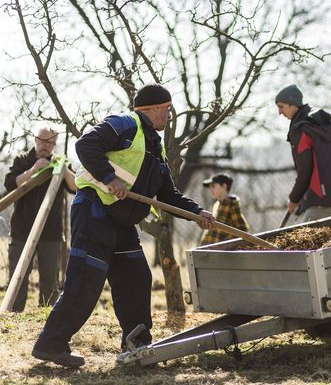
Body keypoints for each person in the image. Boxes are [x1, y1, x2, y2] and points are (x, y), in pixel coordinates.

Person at [31, 84, 215, 368]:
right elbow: (85, 145)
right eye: (167, 108)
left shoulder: (156, 146)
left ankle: (137, 344)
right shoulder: (125, 123)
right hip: (95, 209)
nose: (169, 114)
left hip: (121, 220)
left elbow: (166, 194)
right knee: (86, 280)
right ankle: (51, 344)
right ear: (152, 108)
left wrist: (197, 212)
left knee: (136, 277)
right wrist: (109, 178)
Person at [3, 125, 77, 312]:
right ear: (36, 139)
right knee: (17, 280)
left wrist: (64, 170)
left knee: (49, 282)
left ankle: (47, 320)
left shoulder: (61, 162)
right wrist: (34, 169)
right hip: (22, 230)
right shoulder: (22, 160)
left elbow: (75, 187)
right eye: (44, 141)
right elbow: (11, 183)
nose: (47, 146)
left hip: (50, 233)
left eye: (51, 142)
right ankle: (13, 317)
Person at [276, 84, 331, 225]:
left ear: (293, 105)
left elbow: (305, 172)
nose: (279, 112)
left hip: (320, 197)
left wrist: (294, 199)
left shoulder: (300, 129)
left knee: (304, 242)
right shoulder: (323, 117)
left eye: (281, 107)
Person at [199, 173, 250, 245]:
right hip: (210, 249)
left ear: (224, 186)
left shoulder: (232, 204)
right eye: (210, 187)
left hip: (220, 251)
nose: (211, 189)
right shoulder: (217, 204)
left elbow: (242, 228)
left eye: (213, 186)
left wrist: (225, 244)